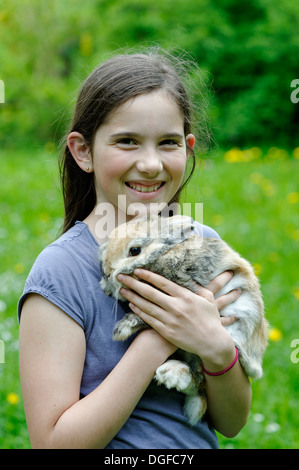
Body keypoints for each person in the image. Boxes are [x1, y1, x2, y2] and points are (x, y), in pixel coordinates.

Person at [18, 49, 251, 449]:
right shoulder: (61, 271)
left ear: (188, 147)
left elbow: (231, 421)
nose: (150, 163)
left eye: (168, 143)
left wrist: (215, 349)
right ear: (83, 151)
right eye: (127, 141)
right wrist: (160, 337)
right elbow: (53, 443)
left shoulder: (205, 245)